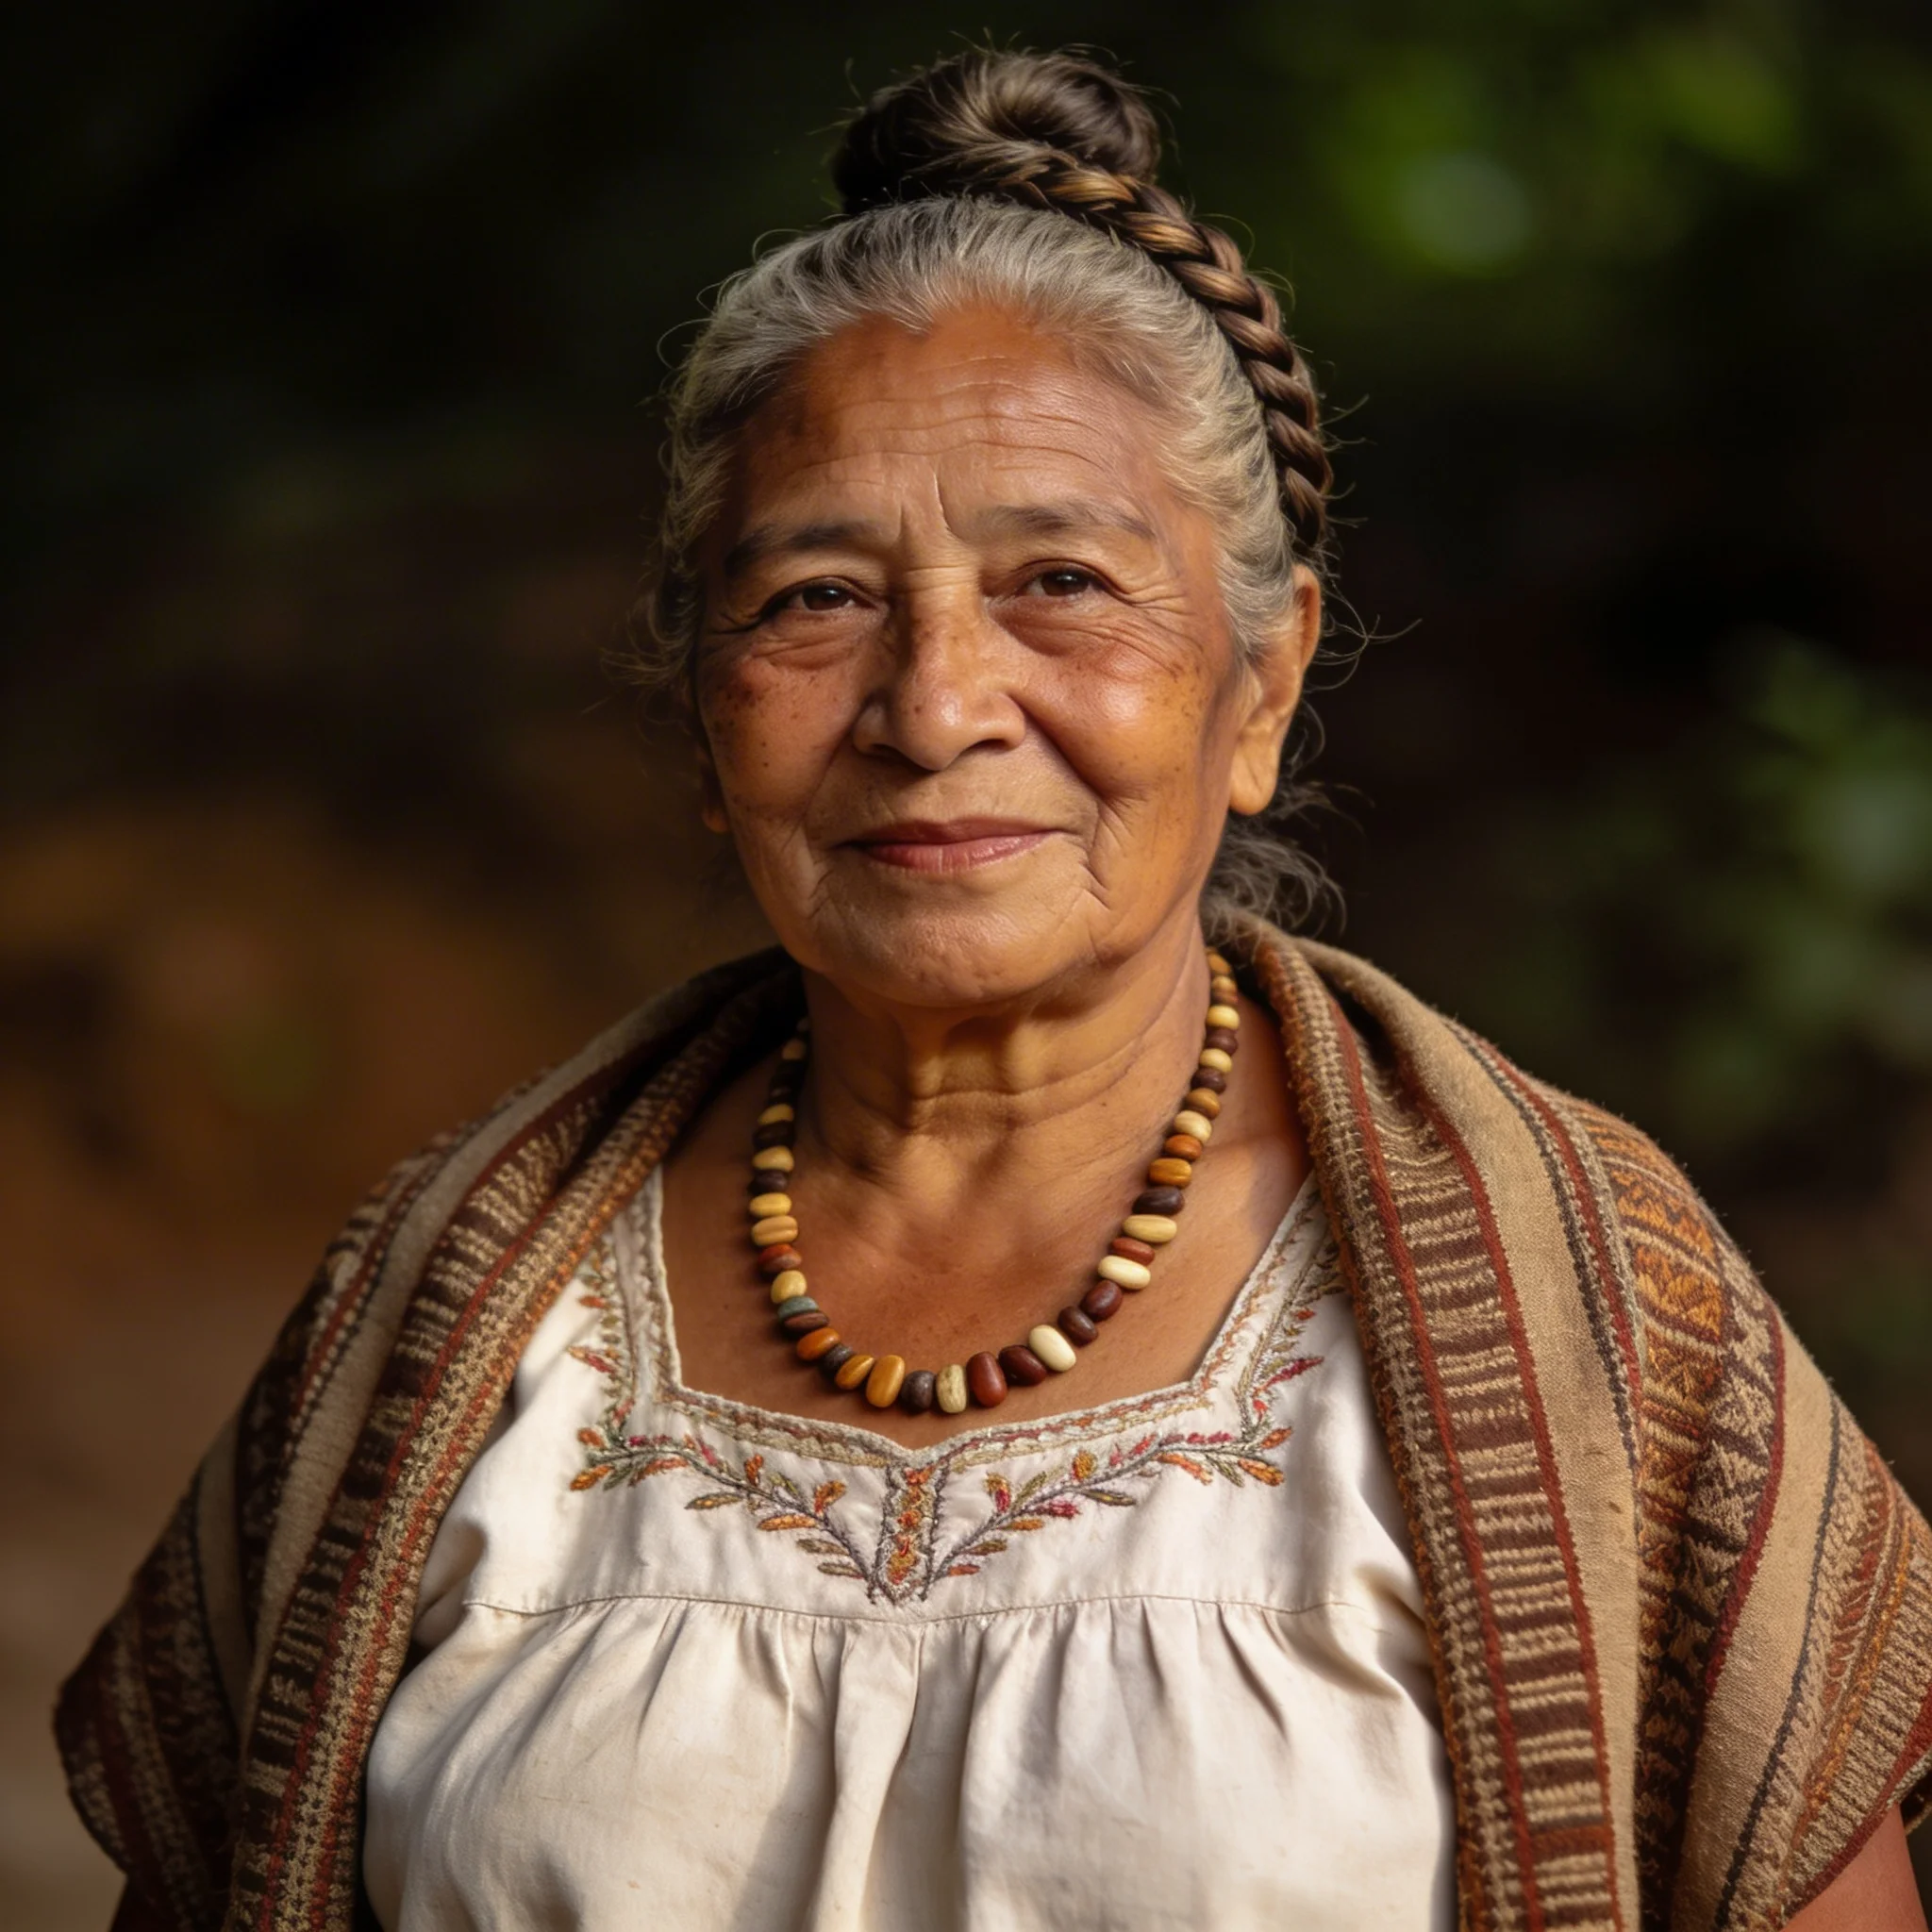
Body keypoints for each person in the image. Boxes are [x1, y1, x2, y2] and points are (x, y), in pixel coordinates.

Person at [58, 47, 1932, 1932]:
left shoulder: (1593, 1311)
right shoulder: (447, 1307)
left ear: (1262, 684)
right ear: (703, 714)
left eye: (1061, 581)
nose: (937, 705)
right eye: (815, 599)